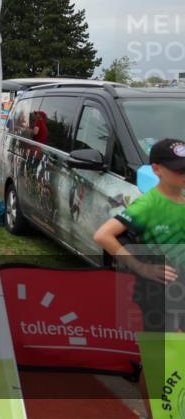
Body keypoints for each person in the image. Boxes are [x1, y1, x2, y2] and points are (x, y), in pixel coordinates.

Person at [94, 139, 185, 331]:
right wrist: (140, 267)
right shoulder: (148, 205)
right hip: (161, 292)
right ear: (156, 169)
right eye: (179, 170)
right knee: (165, 355)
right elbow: (103, 235)